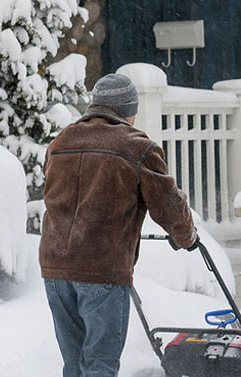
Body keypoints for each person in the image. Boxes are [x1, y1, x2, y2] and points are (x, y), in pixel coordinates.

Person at [40, 73, 197, 377]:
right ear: (129, 110)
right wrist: (187, 235)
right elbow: (167, 205)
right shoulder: (137, 147)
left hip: (55, 269)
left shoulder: (60, 143)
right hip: (101, 269)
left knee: (74, 366)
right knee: (99, 366)